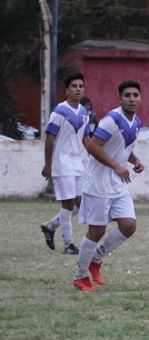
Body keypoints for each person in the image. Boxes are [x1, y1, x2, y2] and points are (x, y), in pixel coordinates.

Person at [72, 80, 145, 291]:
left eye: (135, 95)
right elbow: (93, 146)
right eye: (127, 95)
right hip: (98, 183)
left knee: (129, 225)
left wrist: (135, 161)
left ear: (140, 98)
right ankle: (80, 276)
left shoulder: (137, 121)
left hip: (118, 183)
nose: (131, 99)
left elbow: (124, 147)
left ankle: (96, 259)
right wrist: (116, 166)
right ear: (119, 98)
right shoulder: (111, 120)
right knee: (97, 230)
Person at [40, 73, 91, 254]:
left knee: (80, 204)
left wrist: (98, 157)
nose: (78, 89)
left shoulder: (85, 113)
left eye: (80, 86)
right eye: (74, 86)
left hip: (78, 164)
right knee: (68, 204)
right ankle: (69, 244)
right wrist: (48, 164)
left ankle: (50, 226)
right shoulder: (59, 112)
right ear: (67, 90)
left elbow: (86, 140)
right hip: (62, 164)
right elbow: (50, 140)